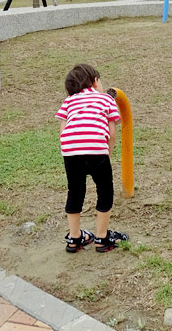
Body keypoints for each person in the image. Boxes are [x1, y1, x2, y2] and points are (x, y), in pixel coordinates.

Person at [55, 63, 129, 253]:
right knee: (105, 191)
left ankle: (74, 238)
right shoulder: (106, 99)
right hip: (97, 150)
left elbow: (63, 129)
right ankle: (102, 238)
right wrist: (108, 153)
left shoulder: (69, 100)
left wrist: (69, 151)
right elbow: (112, 133)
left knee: (75, 192)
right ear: (95, 81)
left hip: (71, 151)